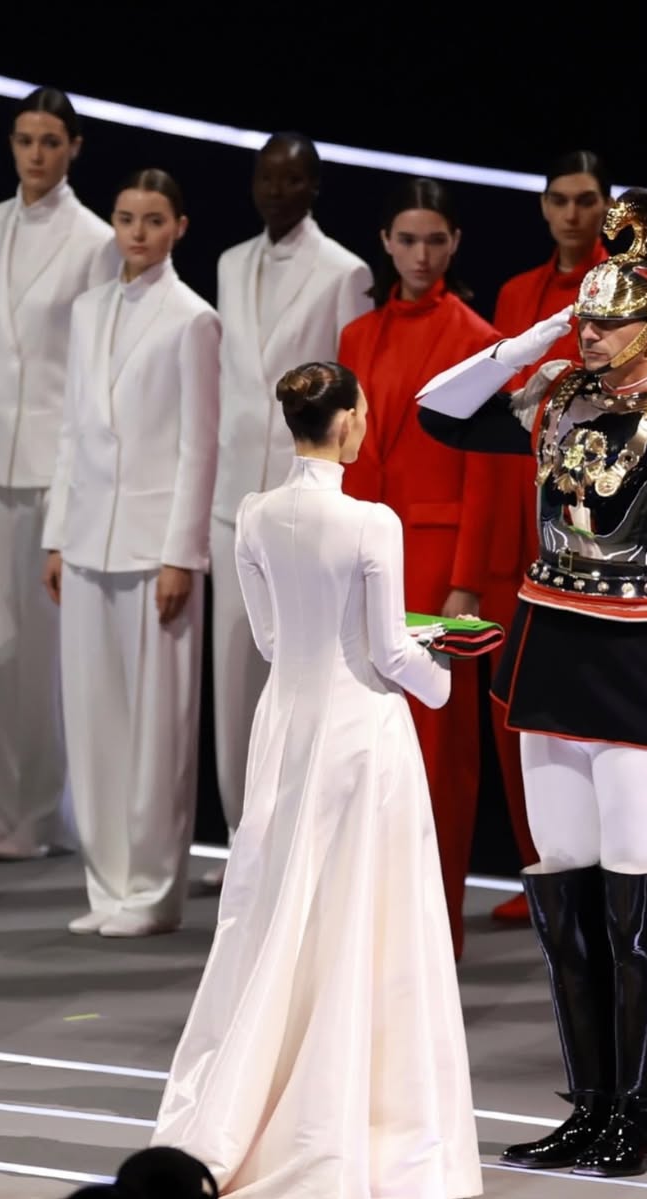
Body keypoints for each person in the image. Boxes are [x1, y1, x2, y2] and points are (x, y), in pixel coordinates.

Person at [417, 174, 647, 1177]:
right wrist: (537, 336)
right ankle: (589, 1106)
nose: (589, 335)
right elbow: (437, 409)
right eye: (582, 319)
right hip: (550, 667)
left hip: (643, 675)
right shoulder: (556, 393)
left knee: (638, 914)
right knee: (564, 903)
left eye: (606, 322)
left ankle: (641, 1115)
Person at [150, 361, 481, 1199]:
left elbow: (270, 638)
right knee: (368, 914)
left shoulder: (255, 514)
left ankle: (260, 1107)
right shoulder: (373, 521)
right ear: (348, 422)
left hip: (288, 728)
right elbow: (391, 651)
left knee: (277, 909)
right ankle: (361, 1128)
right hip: (361, 734)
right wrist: (446, 668)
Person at [0, 86, 118, 859]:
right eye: (24, 140)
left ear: (73, 147)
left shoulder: (95, 239)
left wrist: (83, 473)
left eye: (50, 141)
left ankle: (45, 811)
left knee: (41, 650)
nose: (36, 154)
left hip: (52, 464)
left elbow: (92, 366)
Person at [42, 169, 219, 938]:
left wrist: (182, 553)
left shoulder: (193, 319)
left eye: (152, 220)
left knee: (156, 731)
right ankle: (107, 882)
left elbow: (199, 447)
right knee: (95, 722)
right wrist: (57, 534)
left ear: (179, 226)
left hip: (154, 548)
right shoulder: (86, 310)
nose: (137, 233)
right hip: (87, 537)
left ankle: (151, 891)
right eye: (125, 218)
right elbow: (71, 430)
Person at [338, 175, 500, 959]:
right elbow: (345, 454)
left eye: (436, 240)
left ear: (456, 243)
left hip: (437, 566)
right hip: (362, 558)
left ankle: (434, 930)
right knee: (363, 742)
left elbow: (487, 471)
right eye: (407, 239)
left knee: (439, 753)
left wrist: (468, 579)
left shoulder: (478, 338)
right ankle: (369, 926)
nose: (421, 254)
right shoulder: (355, 336)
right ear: (385, 243)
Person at [205, 132, 372, 889]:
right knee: (235, 680)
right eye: (267, 177)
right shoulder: (228, 263)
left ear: (314, 186)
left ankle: (299, 840)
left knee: (303, 673)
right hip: (233, 500)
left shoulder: (344, 271)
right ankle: (243, 838)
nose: (277, 189)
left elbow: (350, 398)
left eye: (292, 178)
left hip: (305, 504)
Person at [488, 150, 612, 924]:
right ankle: (543, 863)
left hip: (587, 520)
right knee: (518, 703)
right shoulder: (515, 293)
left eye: (586, 199)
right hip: (517, 515)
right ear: (542, 206)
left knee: (586, 706)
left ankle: (593, 872)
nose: (572, 213)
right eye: (560, 199)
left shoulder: (623, 288)